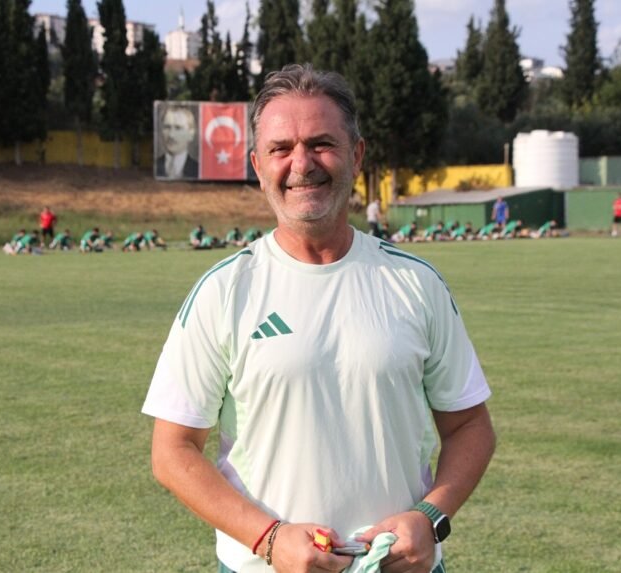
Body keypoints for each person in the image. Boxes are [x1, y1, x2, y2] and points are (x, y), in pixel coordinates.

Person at [143, 64, 495, 573]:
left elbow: (470, 426)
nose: (302, 164)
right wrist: (268, 538)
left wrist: (431, 516)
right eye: (281, 149)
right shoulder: (224, 291)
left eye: (321, 144)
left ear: (357, 154)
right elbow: (172, 451)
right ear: (258, 165)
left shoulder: (416, 283)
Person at [156, 104, 199, 179]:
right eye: (167, 127)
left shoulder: (198, 170)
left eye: (178, 128)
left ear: (191, 134)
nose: (171, 135)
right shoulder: (156, 165)